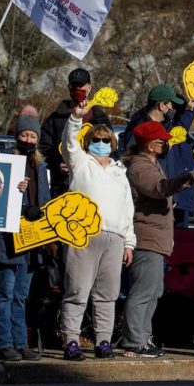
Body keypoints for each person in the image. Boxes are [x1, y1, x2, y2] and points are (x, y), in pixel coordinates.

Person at [121, 120, 194, 358]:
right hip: (146, 237)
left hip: (156, 238)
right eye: (161, 141)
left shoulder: (152, 163)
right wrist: (188, 178)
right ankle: (133, 341)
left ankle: (143, 337)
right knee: (143, 292)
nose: (164, 145)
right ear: (150, 145)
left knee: (154, 291)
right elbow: (160, 188)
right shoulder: (140, 167)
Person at [60, 101, 136, 360]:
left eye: (106, 139)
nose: (101, 142)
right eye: (97, 139)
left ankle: (103, 341)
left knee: (107, 294)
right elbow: (69, 143)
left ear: (113, 144)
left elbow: (128, 210)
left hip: (114, 239)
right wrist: (75, 119)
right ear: (89, 142)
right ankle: (71, 340)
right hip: (82, 235)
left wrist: (129, 242)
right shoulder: (80, 162)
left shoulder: (120, 173)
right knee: (77, 290)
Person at [0, 115, 49, 362]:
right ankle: (4, 343)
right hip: (8, 240)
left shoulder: (41, 168)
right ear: (17, 137)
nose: (28, 139)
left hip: (31, 241)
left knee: (21, 296)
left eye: (32, 136)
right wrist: (18, 196)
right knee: (5, 293)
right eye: (24, 135)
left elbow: (44, 201)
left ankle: (21, 342)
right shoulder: (5, 164)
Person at [120, 84, 194, 225]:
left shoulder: (165, 125)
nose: (172, 109)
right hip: (149, 200)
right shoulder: (139, 128)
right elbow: (131, 159)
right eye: (171, 105)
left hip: (166, 194)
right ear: (162, 105)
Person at [40, 68, 112, 196]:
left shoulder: (100, 119)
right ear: (68, 87)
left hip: (94, 184)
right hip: (63, 187)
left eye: (81, 85)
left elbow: (113, 150)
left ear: (89, 88)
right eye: (74, 86)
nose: (77, 90)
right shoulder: (55, 119)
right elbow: (43, 150)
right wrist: (57, 164)